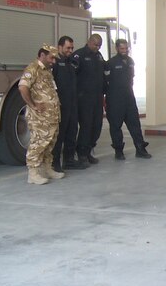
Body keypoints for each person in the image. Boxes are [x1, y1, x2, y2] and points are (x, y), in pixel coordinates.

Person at [18, 44, 64, 185]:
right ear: (42, 55)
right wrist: (33, 105)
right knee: (38, 143)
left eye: (55, 58)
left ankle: (46, 169)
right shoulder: (33, 69)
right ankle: (33, 172)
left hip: (51, 116)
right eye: (51, 58)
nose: (53, 61)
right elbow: (23, 87)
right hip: (40, 118)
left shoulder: (46, 71)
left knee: (49, 142)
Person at [105, 39, 151, 160]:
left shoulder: (131, 61)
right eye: (122, 49)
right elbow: (105, 81)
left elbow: (132, 77)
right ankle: (119, 151)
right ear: (117, 49)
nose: (124, 51)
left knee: (135, 124)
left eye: (126, 48)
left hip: (129, 97)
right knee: (115, 126)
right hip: (115, 99)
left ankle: (140, 148)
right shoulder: (110, 63)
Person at [51, 36, 88, 172]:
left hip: (72, 104)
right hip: (61, 105)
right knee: (59, 135)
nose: (70, 50)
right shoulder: (54, 62)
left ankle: (69, 160)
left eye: (72, 48)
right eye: (68, 48)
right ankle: (55, 163)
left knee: (72, 132)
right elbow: (51, 84)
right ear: (60, 47)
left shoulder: (71, 62)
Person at [73, 34, 107, 165]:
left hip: (97, 97)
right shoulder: (79, 55)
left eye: (99, 45)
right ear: (89, 42)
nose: (97, 47)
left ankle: (89, 151)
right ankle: (81, 153)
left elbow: (103, 75)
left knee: (97, 125)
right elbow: (73, 76)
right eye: (95, 44)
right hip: (84, 98)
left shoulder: (99, 56)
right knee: (86, 126)